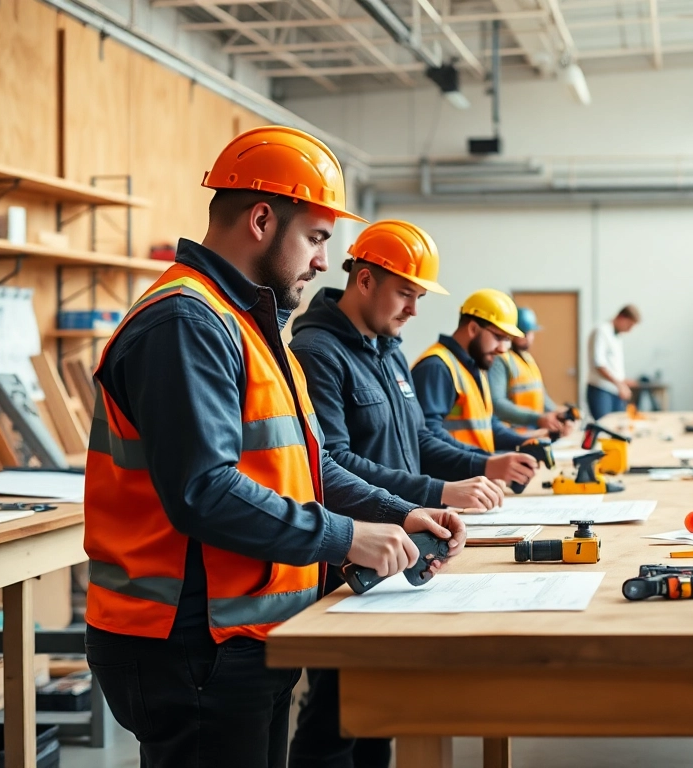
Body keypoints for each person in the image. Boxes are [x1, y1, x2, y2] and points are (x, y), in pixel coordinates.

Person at [82, 127, 465, 768]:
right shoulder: (186, 323)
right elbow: (204, 491)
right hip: (189, 643)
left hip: (245, 634)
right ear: (262, 219)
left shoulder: (249, 327)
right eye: (316, 238)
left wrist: (396, 515)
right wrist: (347, 538)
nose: (323, 262)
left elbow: (309, 468)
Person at [288, 221, 539, 768]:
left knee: (384, 705)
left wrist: (481, 464)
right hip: (349, 552)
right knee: (336, 713)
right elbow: (331, 463)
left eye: (419, 297)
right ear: (366, 280)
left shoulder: (389, 349)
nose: (414, 311)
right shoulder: (318, 352)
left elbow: (418, 438)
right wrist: (437, 492)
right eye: (406, 294)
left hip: (400, 541)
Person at [412, 289, 531, 452]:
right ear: (473, 329)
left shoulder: (474, 365)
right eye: (498, 337)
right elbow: (428, 435)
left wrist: (524, 443)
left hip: (475, 474)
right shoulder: (437, 367)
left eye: (507, 340)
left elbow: (487, 425)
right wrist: (485, 462)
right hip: (452, 476)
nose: (503, 349)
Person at [489, 306, 572, 436]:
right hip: (510, 435)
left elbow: (540, 396)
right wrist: (537, 418)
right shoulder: (501, 360)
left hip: (534, 432)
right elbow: (497, 403)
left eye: (530, 333)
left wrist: (557, 413)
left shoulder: (527, 359)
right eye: (523, 333)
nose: (528, 338)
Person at [586, 304, 640, 419]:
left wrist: (623, 381)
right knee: (605, 427)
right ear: (621, 317)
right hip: (601, 390)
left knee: (618, 427)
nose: (629, 330)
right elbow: (598, 363)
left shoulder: (617, 336)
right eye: (629, 325)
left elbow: (612, 365)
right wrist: (619, 384)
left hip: (615, 390)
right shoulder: (601, 331)